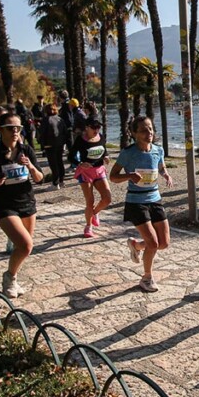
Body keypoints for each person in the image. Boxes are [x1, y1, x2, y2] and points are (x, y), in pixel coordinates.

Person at [0, 112, 44, 298]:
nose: (15, 131)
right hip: (3, 204)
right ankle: (9, 278)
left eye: (18, 128)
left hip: (27, 202)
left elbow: (40, 178)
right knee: (26, 245)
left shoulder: (26, 150)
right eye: (10, 128)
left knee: (23, 248)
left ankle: (13, 277)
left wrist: (31, 167)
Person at [111, 116, 173, 293]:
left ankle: (136, 245)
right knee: (153, 243)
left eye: (151, 129)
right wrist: (129, 176)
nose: (149, 133)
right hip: (136, 202)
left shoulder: (158, 150)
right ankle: (147, 278)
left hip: (155, 199)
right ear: (134, 134)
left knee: (164, 243)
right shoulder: (128, 153)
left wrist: (166, 175)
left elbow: (161, 167)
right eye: (144, 130)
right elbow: (113, 176)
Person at [69, 117, 111, 237]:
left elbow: (104, 150)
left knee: (107, 199)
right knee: (90, 201)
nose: (97, 130)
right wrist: (80, 164)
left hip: (99, 170)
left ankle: (95, 213)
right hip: (85, 172)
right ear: (87, 127)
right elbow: (71, 156)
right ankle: (88, 226)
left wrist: (106, 156)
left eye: (98, 127)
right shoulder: (80, 140)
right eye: (94, 128)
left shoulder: (101, 137)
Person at [38, 103, 66, 188]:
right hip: (60, 143)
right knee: (60, 162)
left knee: (53, 164)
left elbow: (42, 133)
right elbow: (65, 132)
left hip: (49, 144)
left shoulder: (46, 120)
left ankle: (55, 183)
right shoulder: (60, 119)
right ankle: (61, 181)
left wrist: (42, 145)